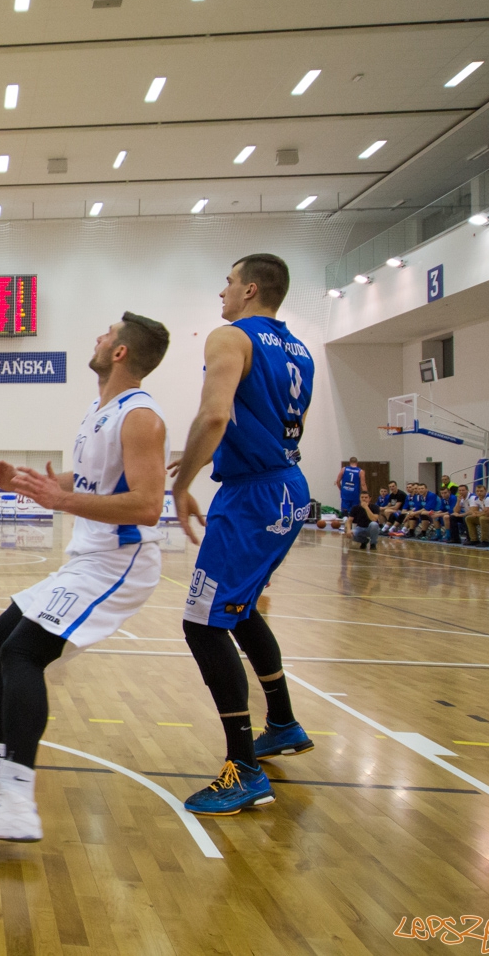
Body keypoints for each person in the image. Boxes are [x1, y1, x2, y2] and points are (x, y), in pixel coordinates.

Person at [0, 313, 171, 842]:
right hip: (87, 556)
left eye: (105, 332)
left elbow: (149, 505)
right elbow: (88, 480)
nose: (97, 334)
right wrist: (25, 481)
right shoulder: (99, 410)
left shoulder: (142, 418)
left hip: (120, 562)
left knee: (23, 653)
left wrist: (61, 500)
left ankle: (18, 802)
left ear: (121, 353)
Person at [169, 253, 315, 816]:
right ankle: (281, 722)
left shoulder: (229, 337)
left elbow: (215, 415)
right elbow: (259, 420)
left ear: (251, 289)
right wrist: (203, 452)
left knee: (203, 624)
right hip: (288, 485)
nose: (222, 291)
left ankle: (243, 768)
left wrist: (184, 482)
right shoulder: (296, 347)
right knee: (242, 606)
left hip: (252, 495)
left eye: (228, 281)